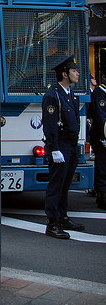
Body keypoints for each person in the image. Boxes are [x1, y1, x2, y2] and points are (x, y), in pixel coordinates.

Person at [42, 54, 85, 239]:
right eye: (74, 70)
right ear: (65, 74)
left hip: (71, 145)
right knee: (56, 185)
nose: (77, 73)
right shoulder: (53, 96)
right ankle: (52, 223)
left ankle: (62, 216)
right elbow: (50, 125)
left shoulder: (71, 95)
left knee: (66, 183)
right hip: (60, 146)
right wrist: (54, 148)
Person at [89, 76, 106, 210]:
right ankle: (102, 194)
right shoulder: (99, 93)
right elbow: (100, 116)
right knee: (102, 165)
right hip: (101, 136)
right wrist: (103, 135)